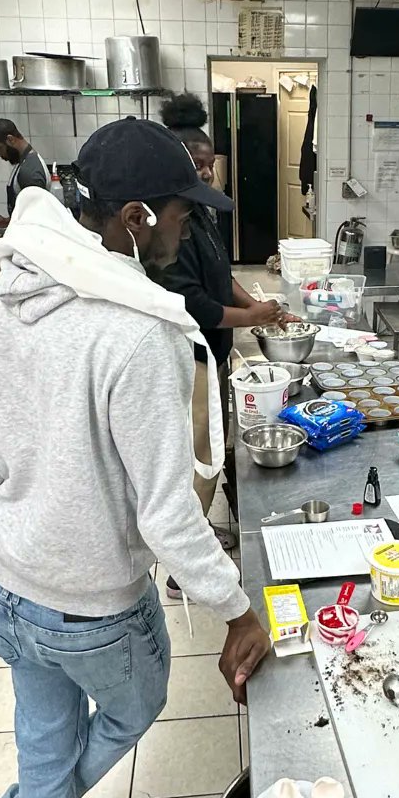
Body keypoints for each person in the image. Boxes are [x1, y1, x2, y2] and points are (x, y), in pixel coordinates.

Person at [0, 117, 271, 798]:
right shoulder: (137, 332)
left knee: (44, 740)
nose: (187, 227)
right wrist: (237, 611)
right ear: (136, 219)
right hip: (93, 605)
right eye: (182, 212)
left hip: (9, 584)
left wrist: (38, 509)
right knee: (131, 708)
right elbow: (165, 514)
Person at [159, 92, 292, 595]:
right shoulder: (176, 228)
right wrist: (249, 314)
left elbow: (222, 278)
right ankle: (182, 569)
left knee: (213, 449)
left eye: (209, 161)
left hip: (214, 354)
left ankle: (196, 540)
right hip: (190, 357)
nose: (207, 170)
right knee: (201, 457)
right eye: (195, 164)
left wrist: (260, 308)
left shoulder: (204, 215)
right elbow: (194, 303)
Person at [0, 118, 49, 228]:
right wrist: (6, 222)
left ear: (10, 139)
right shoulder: (23, 162)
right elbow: (26, 215)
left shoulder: (29, 172)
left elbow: (34, 223)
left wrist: (4, 240)